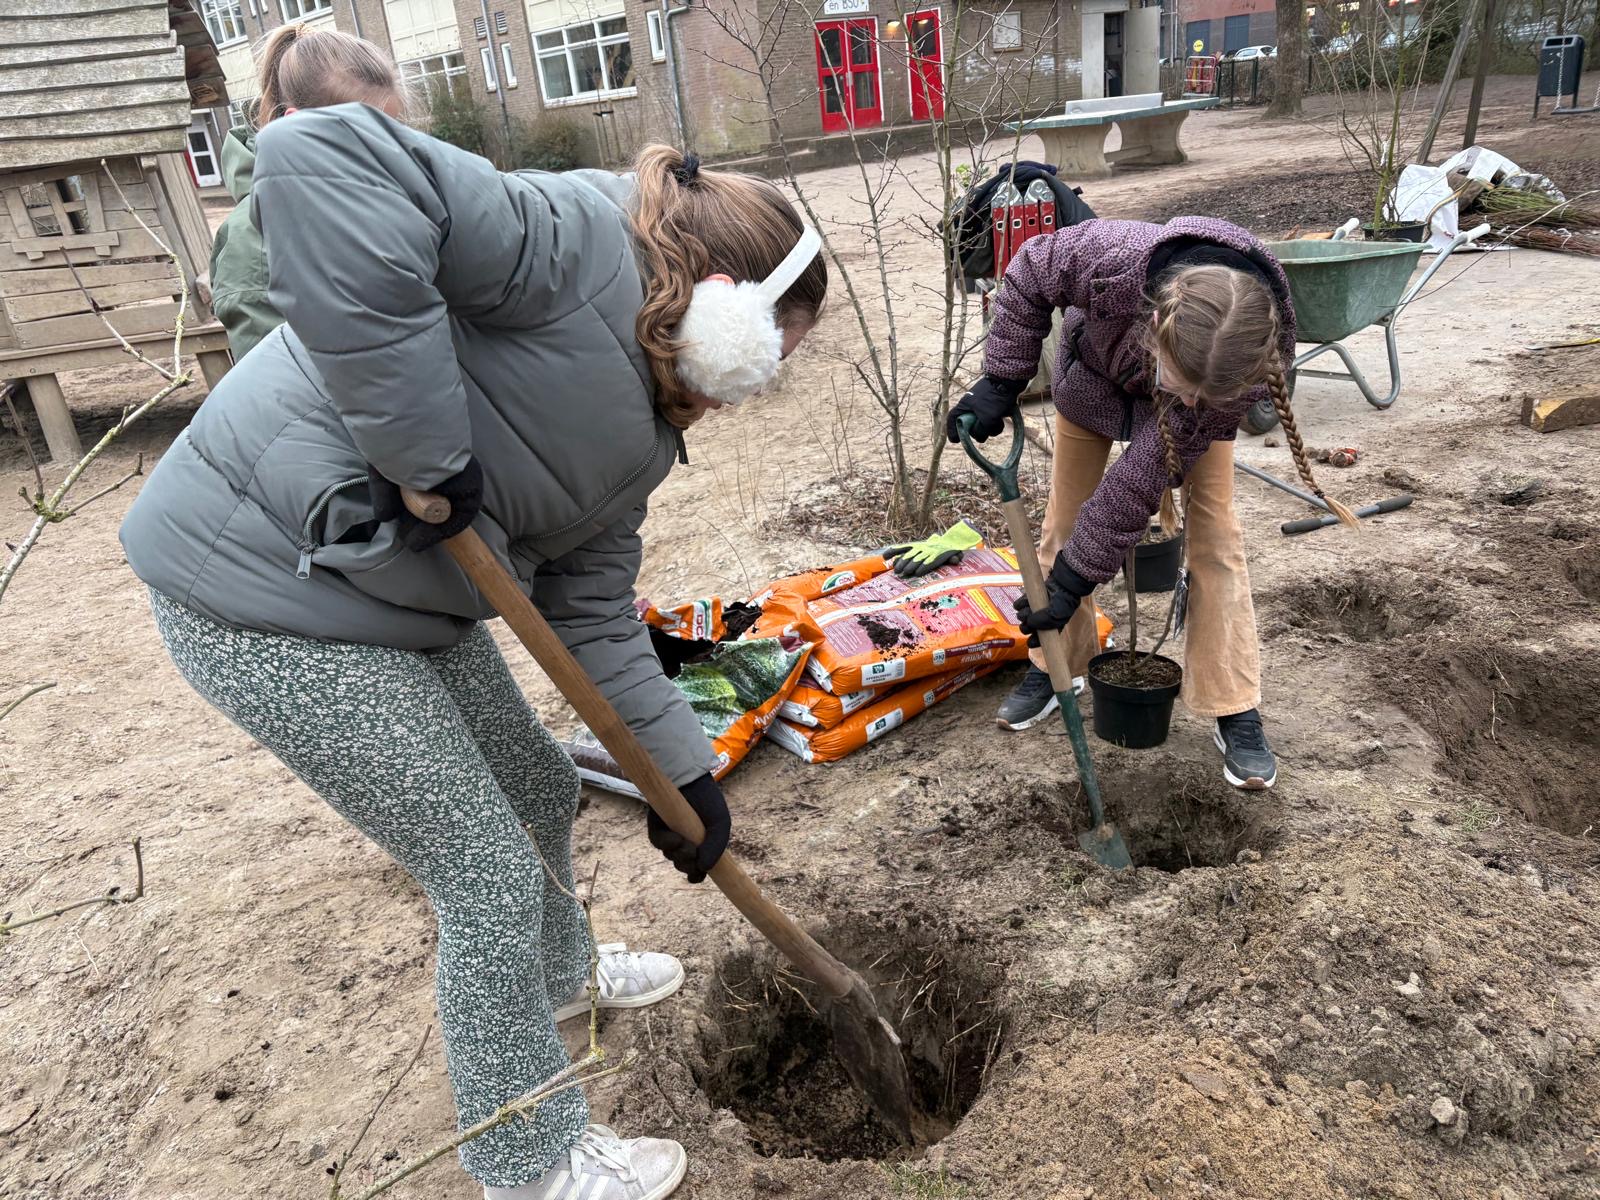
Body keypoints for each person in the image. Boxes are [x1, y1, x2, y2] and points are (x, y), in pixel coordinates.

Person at [120, 104, 825, 1200]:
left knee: (540, 785)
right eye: (775, 348)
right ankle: (526, 1160)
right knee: (484, 876)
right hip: (260, 591)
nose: (763, 377)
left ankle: (560, 978)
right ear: (723, 307)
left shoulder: (647, 434)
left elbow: (590, 619)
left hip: (390, 602)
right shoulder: (565, 244)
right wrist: (421, 445)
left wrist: (685, 778)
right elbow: (322, 155)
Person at [949, 217, 1354, 790]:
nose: (1186, 395)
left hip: (1190, 426)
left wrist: (1074, 582)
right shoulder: (1111, 260)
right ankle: (1056, 665)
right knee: (1064, 525)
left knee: (1216, 542)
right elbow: (1029, 269)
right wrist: (1001, 378)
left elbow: (1140, 481)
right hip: (1092, 379)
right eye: (1183, 381)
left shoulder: (1234, 370)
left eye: (1199, 391)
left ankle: (1231, 701)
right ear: (1156, 324)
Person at [208, 23, 407, 360]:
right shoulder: (255, 241)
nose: (388, 153)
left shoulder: (378, 198)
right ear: (298, 127)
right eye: (367, 137)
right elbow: (279, 384)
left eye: (395, 134)